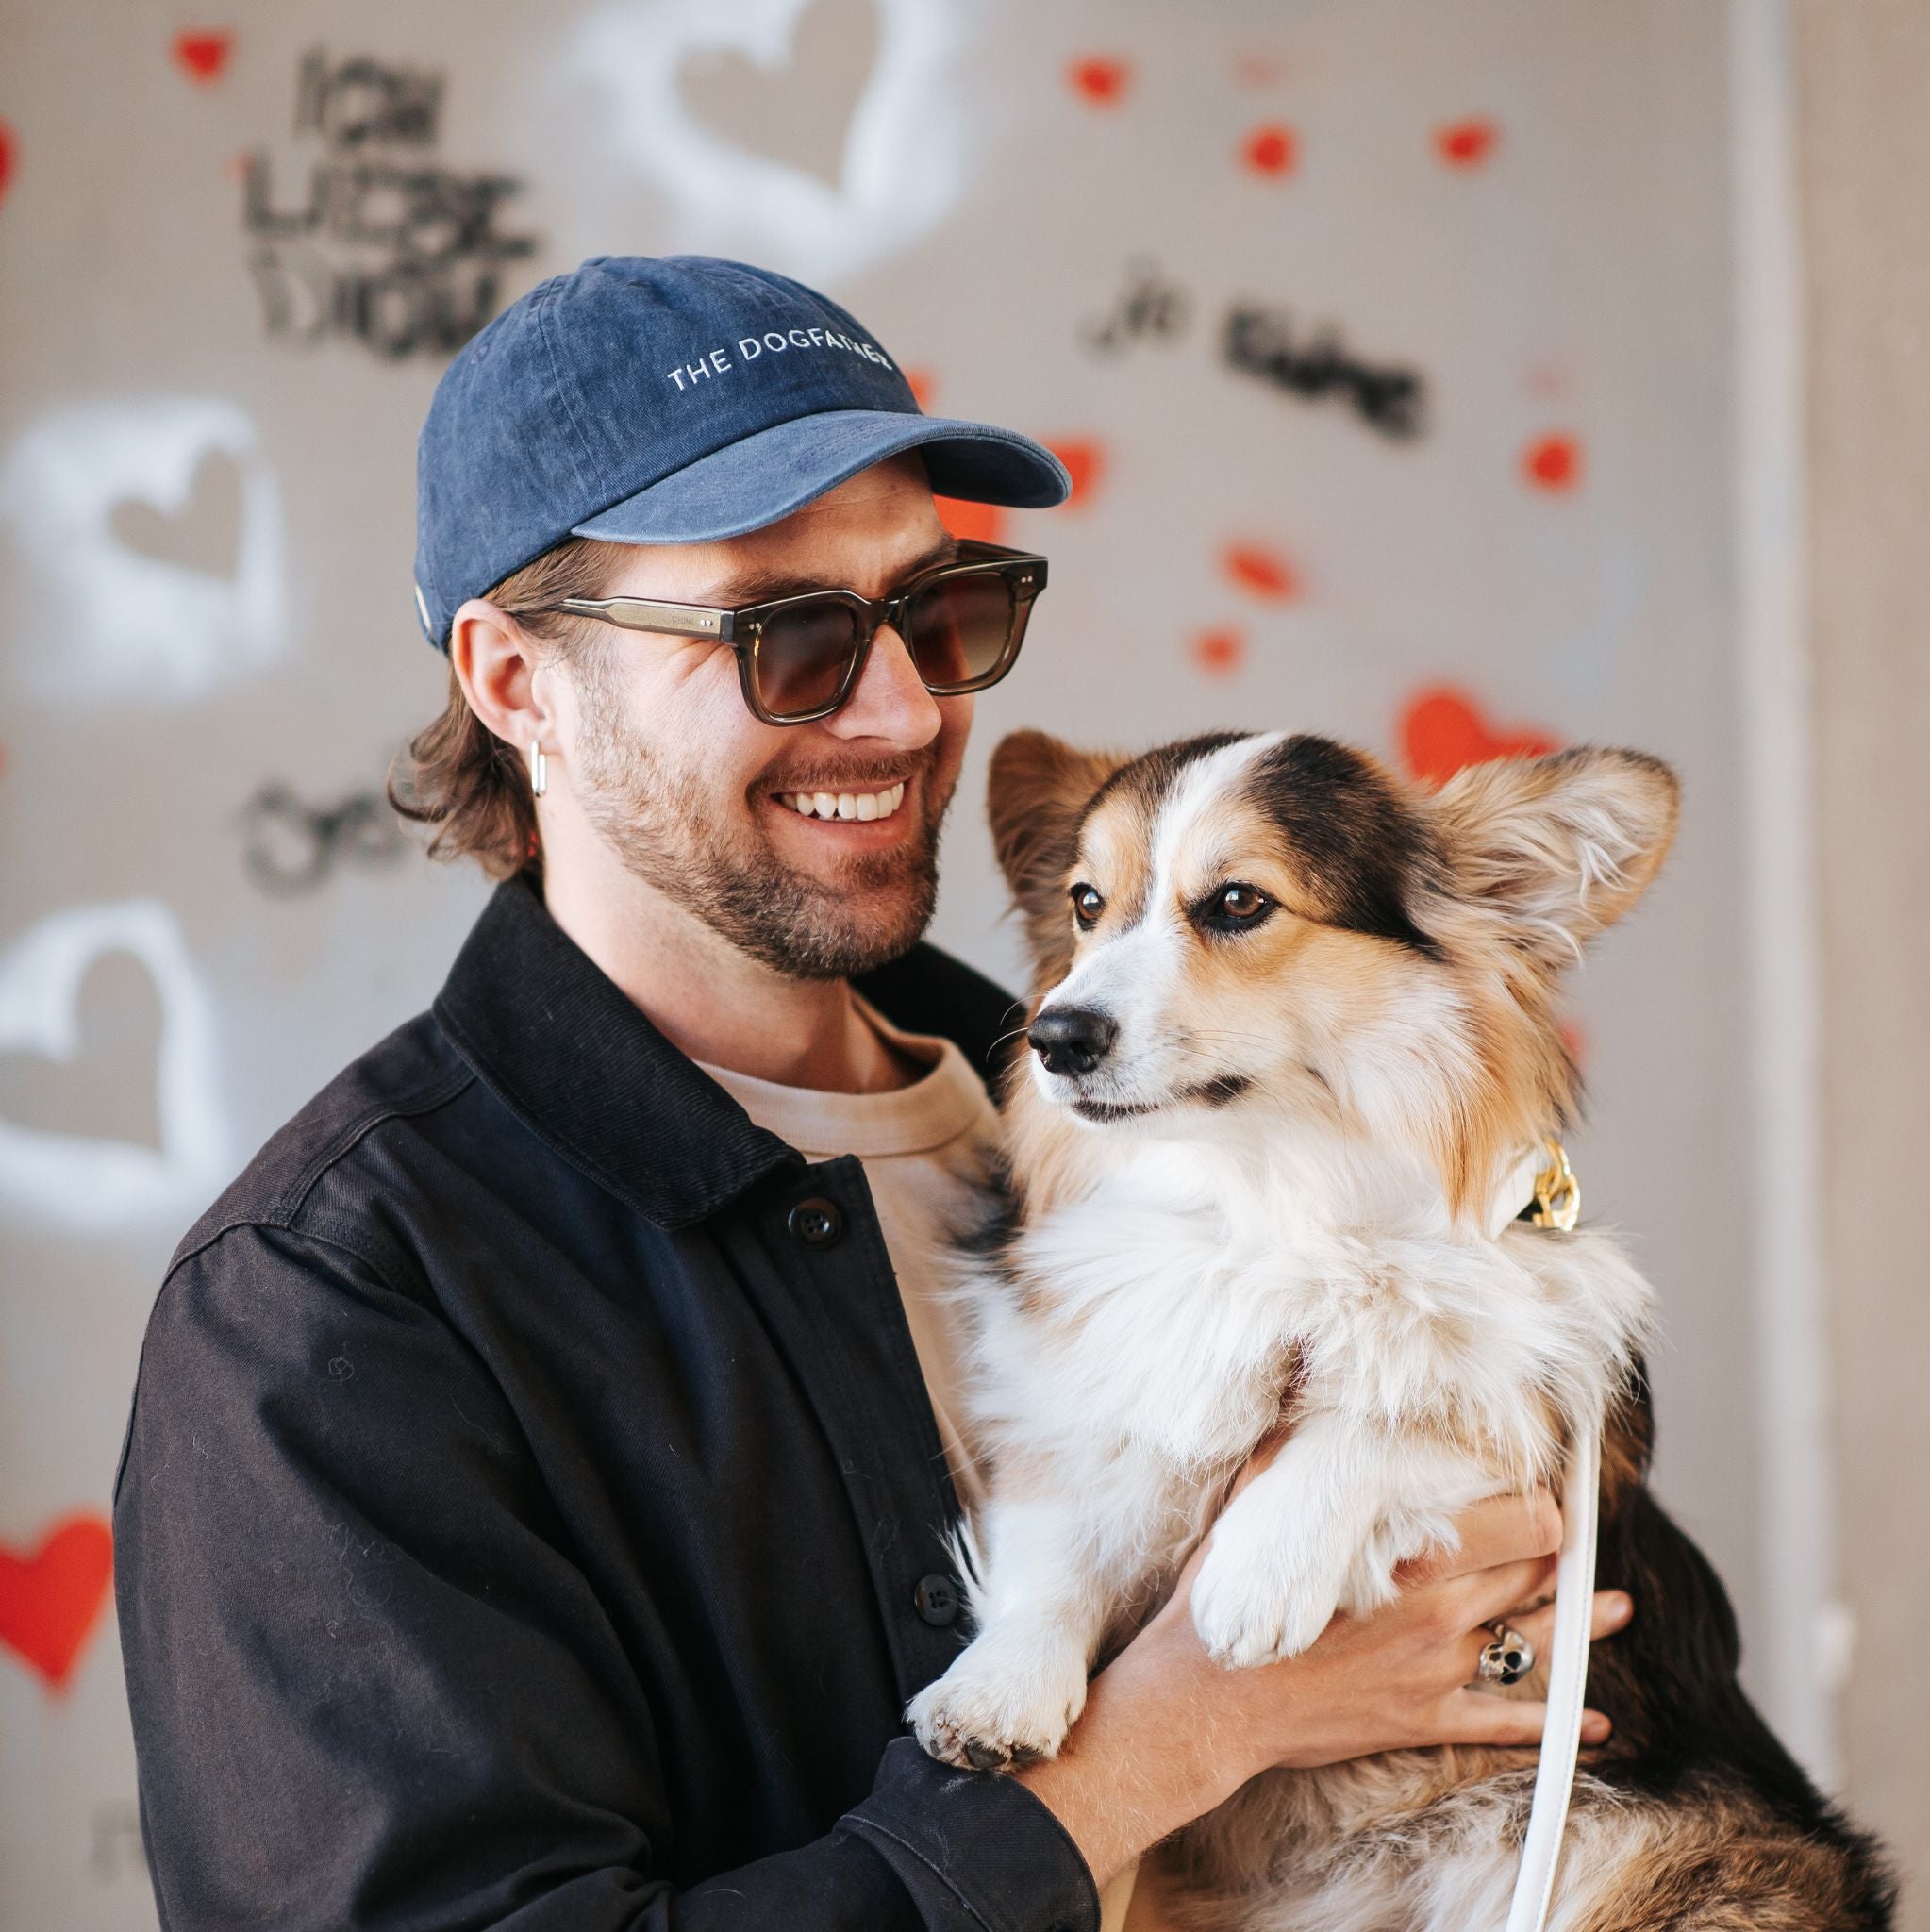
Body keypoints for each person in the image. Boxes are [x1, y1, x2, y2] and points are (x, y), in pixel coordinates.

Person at [112, 255, 1633, 1932]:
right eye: (788, 636)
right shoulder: (330, 1309)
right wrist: (1175, 1740)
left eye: (937, 609)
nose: (909, 710)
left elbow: (1564, 1645)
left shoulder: (1139, 1121)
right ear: (518, 682)